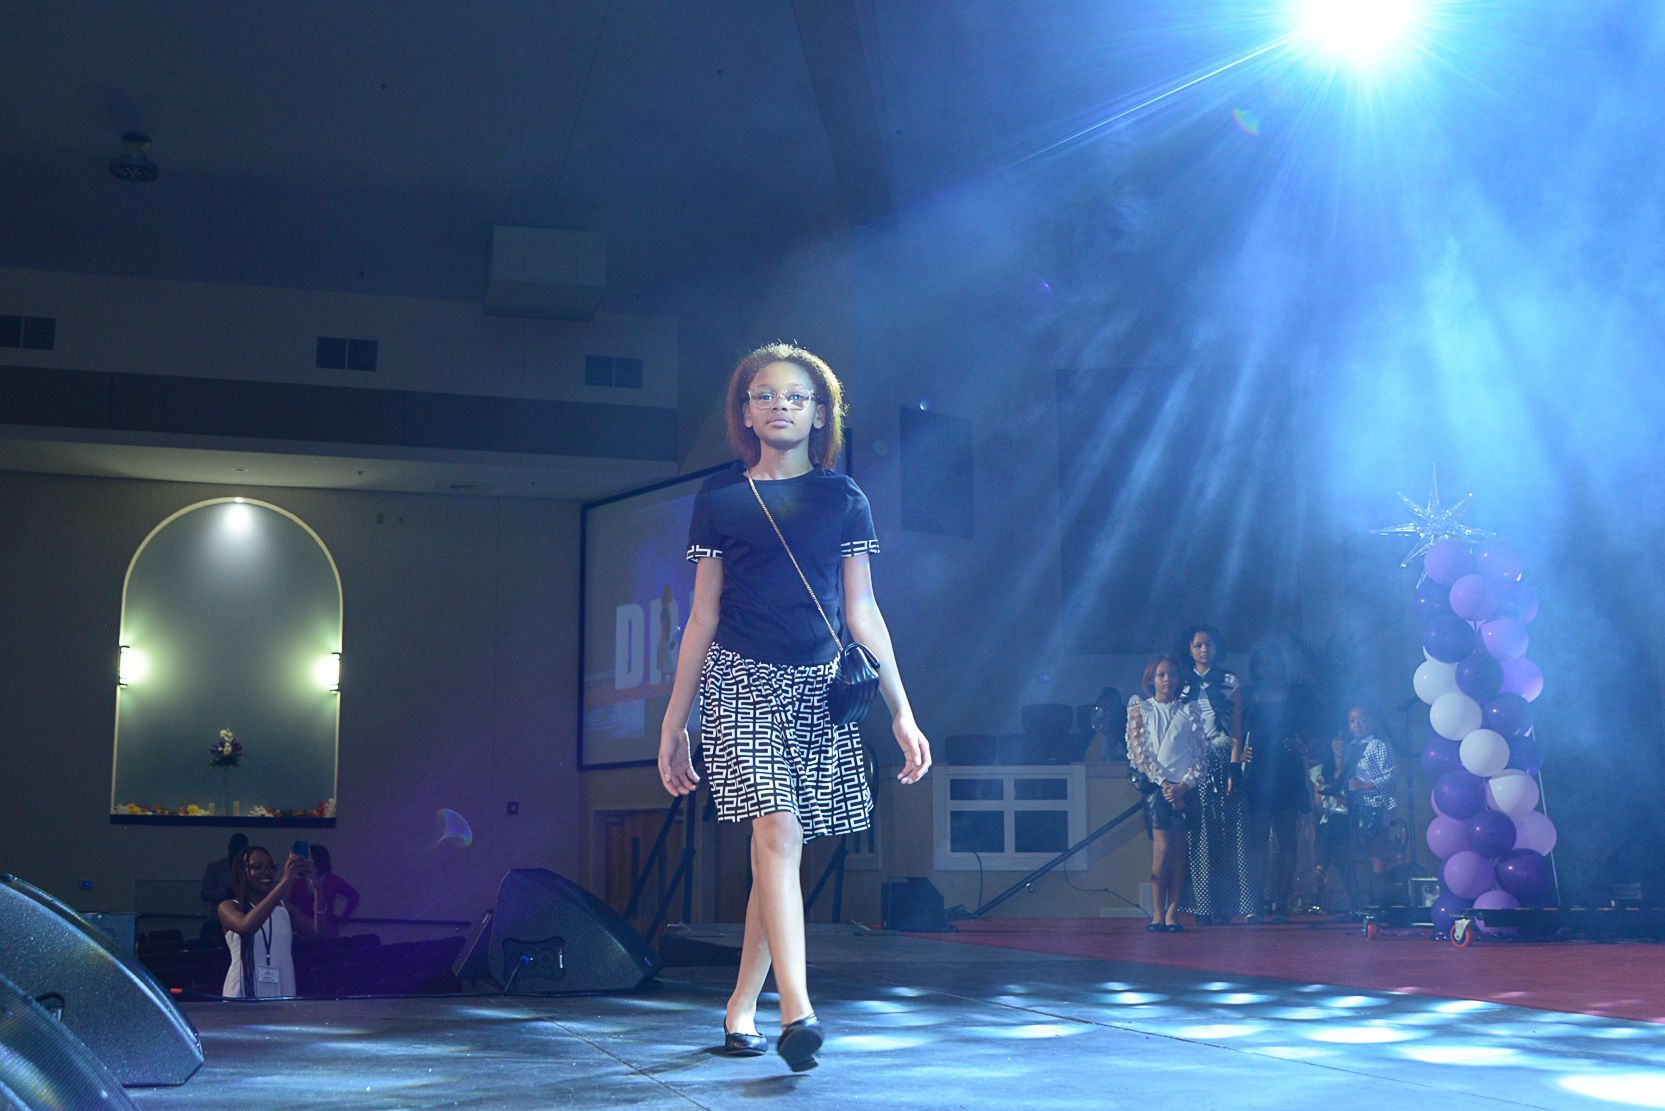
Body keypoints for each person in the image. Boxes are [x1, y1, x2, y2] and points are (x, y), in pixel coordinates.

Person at [658, 343, 930, 1073]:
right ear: (745, 413)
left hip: (819, 686)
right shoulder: (719, 499)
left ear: (819, 414)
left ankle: (740, 1007)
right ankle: (798, 1011)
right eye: (764, 394)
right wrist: (675, 719)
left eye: (796, 396)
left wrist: (901, 711)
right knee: (777, 832)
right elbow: (702, 616)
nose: (780, 405)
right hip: (740, 679)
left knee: (777, 849)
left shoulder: (843, 498)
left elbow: (862, 610)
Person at [1176, 625, 1252, 924]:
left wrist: (1234, 767)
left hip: (1222, 760)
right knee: (1199, 835)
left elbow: (1236, 728)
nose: (1204, 649)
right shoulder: (1182, 683)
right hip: (1193, 763)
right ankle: (1202, 906)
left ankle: (1230, 905)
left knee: (1228, 835)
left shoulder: (1229, 681)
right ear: (1189, 649)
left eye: (1208, 644)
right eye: (1198, 645)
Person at [1125, 656, 1207, 932]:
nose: (1167, 680)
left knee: (1179, 853)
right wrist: (1165, 785)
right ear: (1151, 679)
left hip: (1184, 789)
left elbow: (1199, 755)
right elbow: (1140, 752)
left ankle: (1173, 912)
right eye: (1161, 675)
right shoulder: (1141, 709)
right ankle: (1157, 913)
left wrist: (1183, 786)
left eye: (1171, 674)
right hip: (1159, 790)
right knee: (1161, 851)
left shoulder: (1189, 710)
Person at [1240, 644, 1313, 922]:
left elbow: (1312, 728)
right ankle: (1255, 903)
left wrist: (1302, 745)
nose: (1267, 667)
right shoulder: (1247, 693)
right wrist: (1238, 752)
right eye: (1262, 662)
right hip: (1259, 769)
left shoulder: (1294, 693)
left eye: (1272, 661)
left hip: (1287, 768)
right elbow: (1234, 729)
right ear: (1255, 667)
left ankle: (1282, 902)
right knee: (1257, 839)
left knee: (1287, 838)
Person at [217, 846, 315, 998]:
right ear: (243, 872)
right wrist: (286, 881)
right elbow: (246, 927)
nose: (266, 872)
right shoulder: (228, 906)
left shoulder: (285, 909)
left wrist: (317, 885)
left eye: (271, 867)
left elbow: (318, 933)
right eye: (258, 867)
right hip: (243, 989)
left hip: (282, 985)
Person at [1345, 706, 1399, 912]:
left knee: (1376, 853)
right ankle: (1361, 903)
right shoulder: (1352, 747)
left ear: (1373, 722)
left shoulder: (1379, 746)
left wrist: (1363, 785)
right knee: (1361, 854)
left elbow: (1390, 777)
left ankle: (1379, 902)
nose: (1357, 725)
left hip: (1376, 805)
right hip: (1356, 806)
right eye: (1352, 720)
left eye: (1362, 720)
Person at [1309, 734, 1356, 913]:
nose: (1339, 743)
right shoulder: (1320, 772)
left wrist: (1340, 797)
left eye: (1343, 739)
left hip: (1349, 820)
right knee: (1339, 852)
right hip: (1327, 822)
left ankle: (1319, 869)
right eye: (1336, 739)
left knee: (1335, 822)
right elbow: (1318, 808)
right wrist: (1321, 794)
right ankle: (1353, 901)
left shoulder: (1355, 770)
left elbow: (1357, 803)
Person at [285, 844, 360, 938]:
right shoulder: (300, 881)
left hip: (328, 930)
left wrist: (344, 917)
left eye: (309, 860)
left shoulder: (333, 880)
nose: (305, 863)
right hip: (305, 930)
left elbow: (353, 896)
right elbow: (291, 903)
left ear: (319, 861)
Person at [199, 833, 248, 940]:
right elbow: (205, 893)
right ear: (230, 847)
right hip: (218, 920)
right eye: (236, 847)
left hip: (244, 917)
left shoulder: (249, 868)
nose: (238, 851)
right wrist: (225, 893)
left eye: (241, 847)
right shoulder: (216, 867)